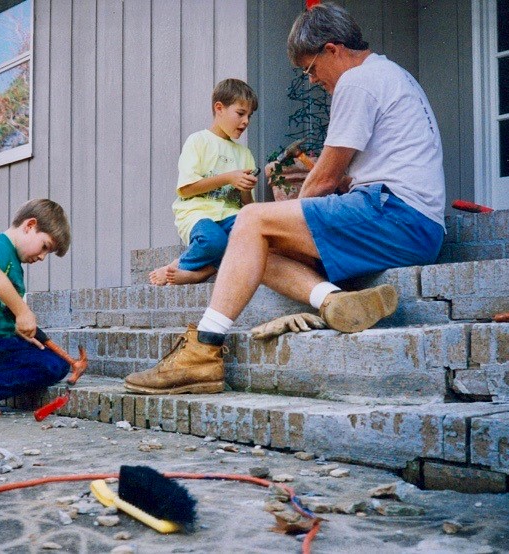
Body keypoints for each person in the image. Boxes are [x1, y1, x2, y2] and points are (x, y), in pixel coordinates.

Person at [124, 2, 445, 395]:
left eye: (310, 69)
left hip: (398, 217)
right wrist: (323, 191)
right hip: (407, 220)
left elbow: (323, 181)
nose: (311, 81)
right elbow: (350, 176)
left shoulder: (358, 81)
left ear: (332, 49)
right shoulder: (391, 74)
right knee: (255, 249)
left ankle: (202, 353)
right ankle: (334, 303)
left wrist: (296, 203)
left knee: (251, 221)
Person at [0, 199, 72, 416]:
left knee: (58, 363)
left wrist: (19, 329)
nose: (43, 257)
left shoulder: (13, 263)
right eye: (45, 246)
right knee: (51, 366)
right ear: (29, 226)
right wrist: (23, 311)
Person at [148, 78, 259, 286]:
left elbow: (248, 208)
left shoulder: (245, 155)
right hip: (198, 214)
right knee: (213, 240)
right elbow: (186, 189)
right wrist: (228, 178)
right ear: (219, 108)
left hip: (230, 216)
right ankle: (182, 266)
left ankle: (201, 273)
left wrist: (245, 189)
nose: (246, 122)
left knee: (255, 236)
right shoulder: (198, 141)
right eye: (240, 113)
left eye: (249, 116)